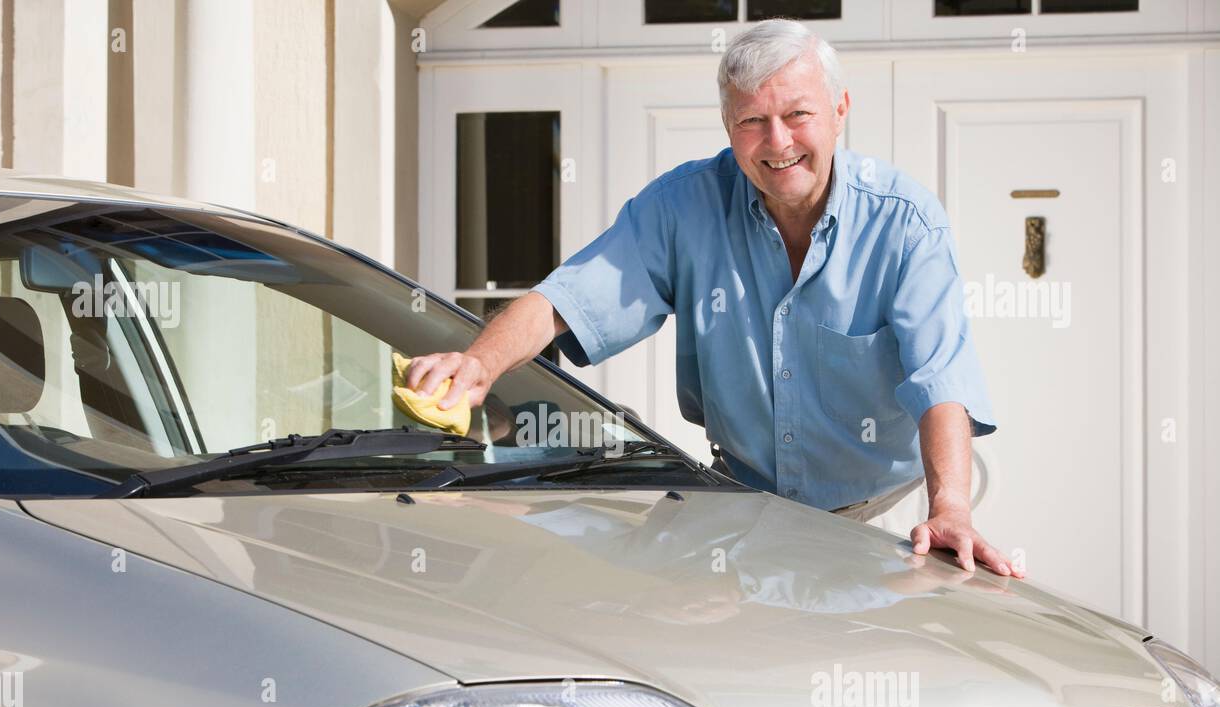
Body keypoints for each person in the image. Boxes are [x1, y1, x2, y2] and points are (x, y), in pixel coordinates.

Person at [406, 18, 1021, 578]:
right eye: (752, 121)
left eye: (797, 115)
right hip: (744, 504)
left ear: (840, 110)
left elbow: (939, 377)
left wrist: (951, 507)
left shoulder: (905, 221)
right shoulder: (684, 207)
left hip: (889, 510)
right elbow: (568, 299)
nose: (777, 142)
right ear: (729, 128)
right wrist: (478, 363)